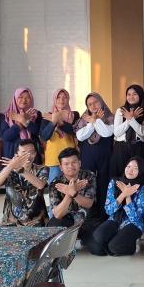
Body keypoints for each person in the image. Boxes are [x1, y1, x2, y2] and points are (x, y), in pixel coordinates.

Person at [88, 157, 144, 256]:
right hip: (115, 219)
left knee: (114, 246)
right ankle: (116, 239)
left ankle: (131, 245)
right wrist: (123, 194)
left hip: (134, 223)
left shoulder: (142, 188)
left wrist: (128, 196)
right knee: (98, 241)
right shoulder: (114, 182)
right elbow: (108, 210)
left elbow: (135, 218)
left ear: (140, 171)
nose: (130, 170)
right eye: (128, 166)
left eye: (135, 168)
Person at [74, 92, 114, 220]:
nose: (93, 106)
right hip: (88, 156)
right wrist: (92, 121)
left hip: (105, 157)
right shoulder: (84, 119)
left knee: (104, 185)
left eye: (95, 102)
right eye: (90, 104)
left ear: (101, 102)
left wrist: (96, 120)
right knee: (87, 185)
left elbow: (107, 133)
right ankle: (89, 216)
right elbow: (81, 136)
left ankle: (103, 216)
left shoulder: (110, 117)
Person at [0, 139, 48, 227]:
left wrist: (19, 169)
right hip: (11, 221)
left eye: (31, 152)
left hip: (36, 220)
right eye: (24, 153)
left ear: (35, 153)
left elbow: (40, 185)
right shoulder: (9, 170)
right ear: (16, 154)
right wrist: (9, 167)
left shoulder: (42, 169)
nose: (28, 156)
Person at [47, 147, 95, 228]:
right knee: (53, 224)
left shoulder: (88, 176)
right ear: (61, 167)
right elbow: (58, 214)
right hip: (66, 219)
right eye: (66, 164)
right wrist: (70, 194)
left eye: (74, 162)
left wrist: (74, 194)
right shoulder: (55, 184)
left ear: (79, 163)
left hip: (87, 219)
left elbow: (89, 204)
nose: (70, 166)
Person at [40, 88, 80, 184]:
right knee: (55, 187)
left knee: (73, 186)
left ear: (68, 99)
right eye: (58, 97)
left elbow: (75, 131)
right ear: (54, 99)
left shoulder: (74, 115)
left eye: (64, 97)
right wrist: (53, 121)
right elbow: (44, 136)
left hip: (71, 157)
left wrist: (60, 121)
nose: (61, 100)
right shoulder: (47, 116)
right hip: (54, 158)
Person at [111, 85, 144, 179]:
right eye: (129, 94)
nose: (131, 97)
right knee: (119, 176)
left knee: (138, 176)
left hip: (138, 147)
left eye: (134, 94)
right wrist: (130, 119)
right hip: (120, 148)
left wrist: (131, 119)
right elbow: (117, 132)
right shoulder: (121, 110)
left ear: (140, 95)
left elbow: (143, 132)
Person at [0, 87, 42, 162]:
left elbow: (37, 131)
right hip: (12, 155)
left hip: (32, 155)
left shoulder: (36, 114)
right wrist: (20, 123)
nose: (24, 100)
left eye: (27, 97)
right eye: (20, 97)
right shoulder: (6, 115)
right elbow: (5, 137)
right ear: (15, 98)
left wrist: (24, 120)